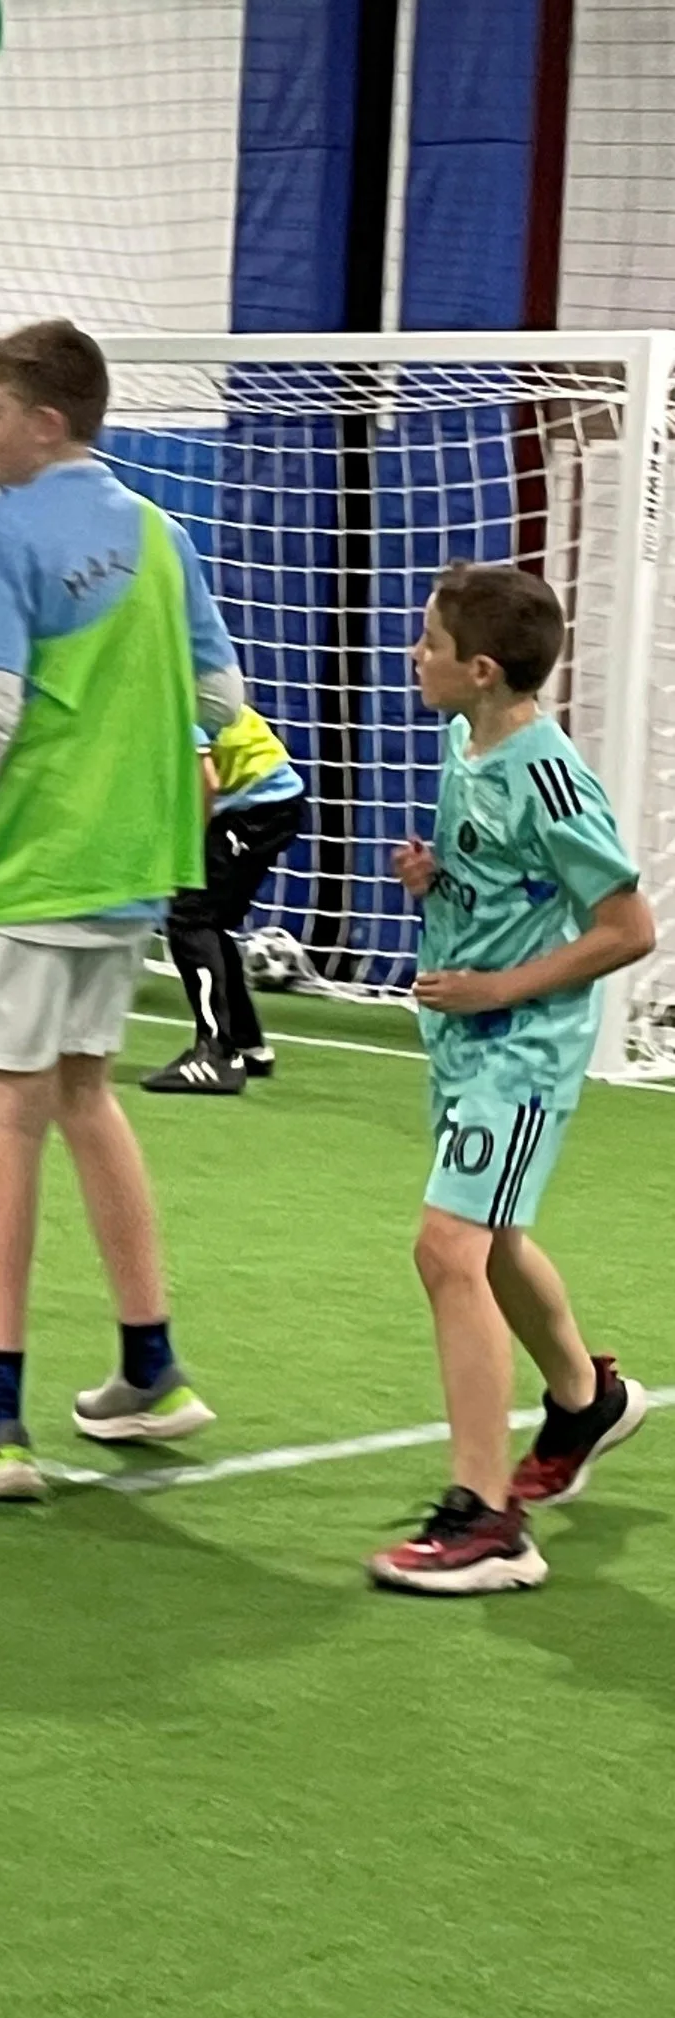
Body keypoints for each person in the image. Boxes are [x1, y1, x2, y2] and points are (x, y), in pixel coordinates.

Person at [0, 319, 244, 1498]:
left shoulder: (2, 531)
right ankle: (149, 1368)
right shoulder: (163, 533)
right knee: (86, 1094)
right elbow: (221, 696)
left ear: (46, 421)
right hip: (133, 871)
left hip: (39, 864)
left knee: (8, 1115)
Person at [368, 563, 652, 1596]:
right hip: (459, 1035)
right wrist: (436, 881)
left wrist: (501, 988)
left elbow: (627, 929)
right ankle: (584, 1401)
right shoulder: (462, 740)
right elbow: (500, 874)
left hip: (520, 1046)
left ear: (480, 670)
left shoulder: (550, 778)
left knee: (447, 1249)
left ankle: (485, 1519)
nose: (414, 656)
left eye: (429, 644)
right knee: (492, 1246)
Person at [139, 700, 308, 1095]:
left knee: (190, 918)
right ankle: (246, 1045)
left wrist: (185, 849)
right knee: (206, 921)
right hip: (264, 799)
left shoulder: (163, 693)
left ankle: (216, 1053)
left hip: (257, 804)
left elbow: (206, 780)